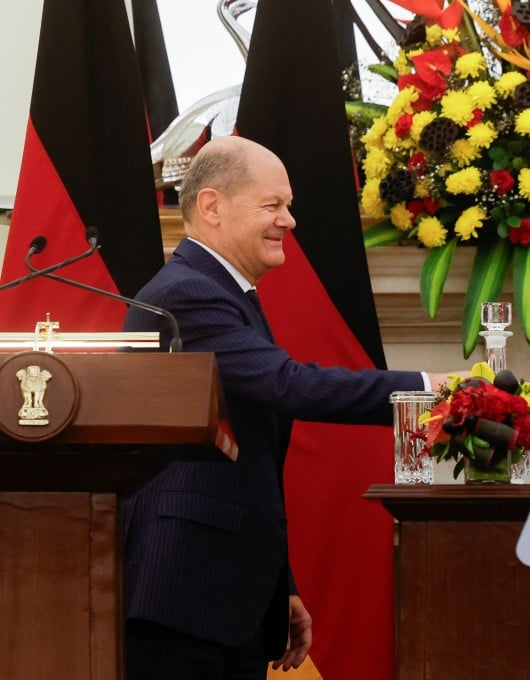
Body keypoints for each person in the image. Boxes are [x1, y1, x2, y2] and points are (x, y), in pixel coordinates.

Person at [120, 136, 456, 679]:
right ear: (211, 206)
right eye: (273, 205)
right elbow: (287, 385)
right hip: (184, 597)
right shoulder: (186, 293)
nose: (290, 221)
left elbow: (248, 465)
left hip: (228, 596)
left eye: (289, 205)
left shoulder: (229, 294)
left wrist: (282, 587)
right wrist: (426, 388)